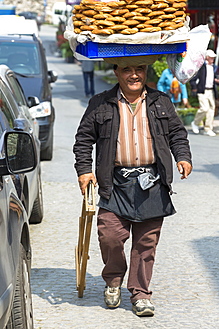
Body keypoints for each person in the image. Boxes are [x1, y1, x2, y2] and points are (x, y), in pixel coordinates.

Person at [73, 61, 192, 317]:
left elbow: (177, 134)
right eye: (127, 70)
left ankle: (140, 293)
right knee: (110, 236)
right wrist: (84, 170)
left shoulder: (160, 102)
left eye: (139, 68)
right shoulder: (101, 103)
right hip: (114, 182)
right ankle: (113, 279)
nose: (134, 75)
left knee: (146, 242)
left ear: (146, 71)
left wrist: (183, 157)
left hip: (152, 181)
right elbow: (83, 139)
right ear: (116, 72)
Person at [190, 49, 219, 137]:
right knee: (204, 108)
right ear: (207, 57)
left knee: (211, 109)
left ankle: (208, 128)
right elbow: (193, 78)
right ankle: (195, 122)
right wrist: (194, 88)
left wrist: (217, 80)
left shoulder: (214, 67)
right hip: (202, 90)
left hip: (211, 90)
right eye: (211, 57)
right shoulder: (201, 67)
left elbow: (215, 77)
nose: (213, 59)